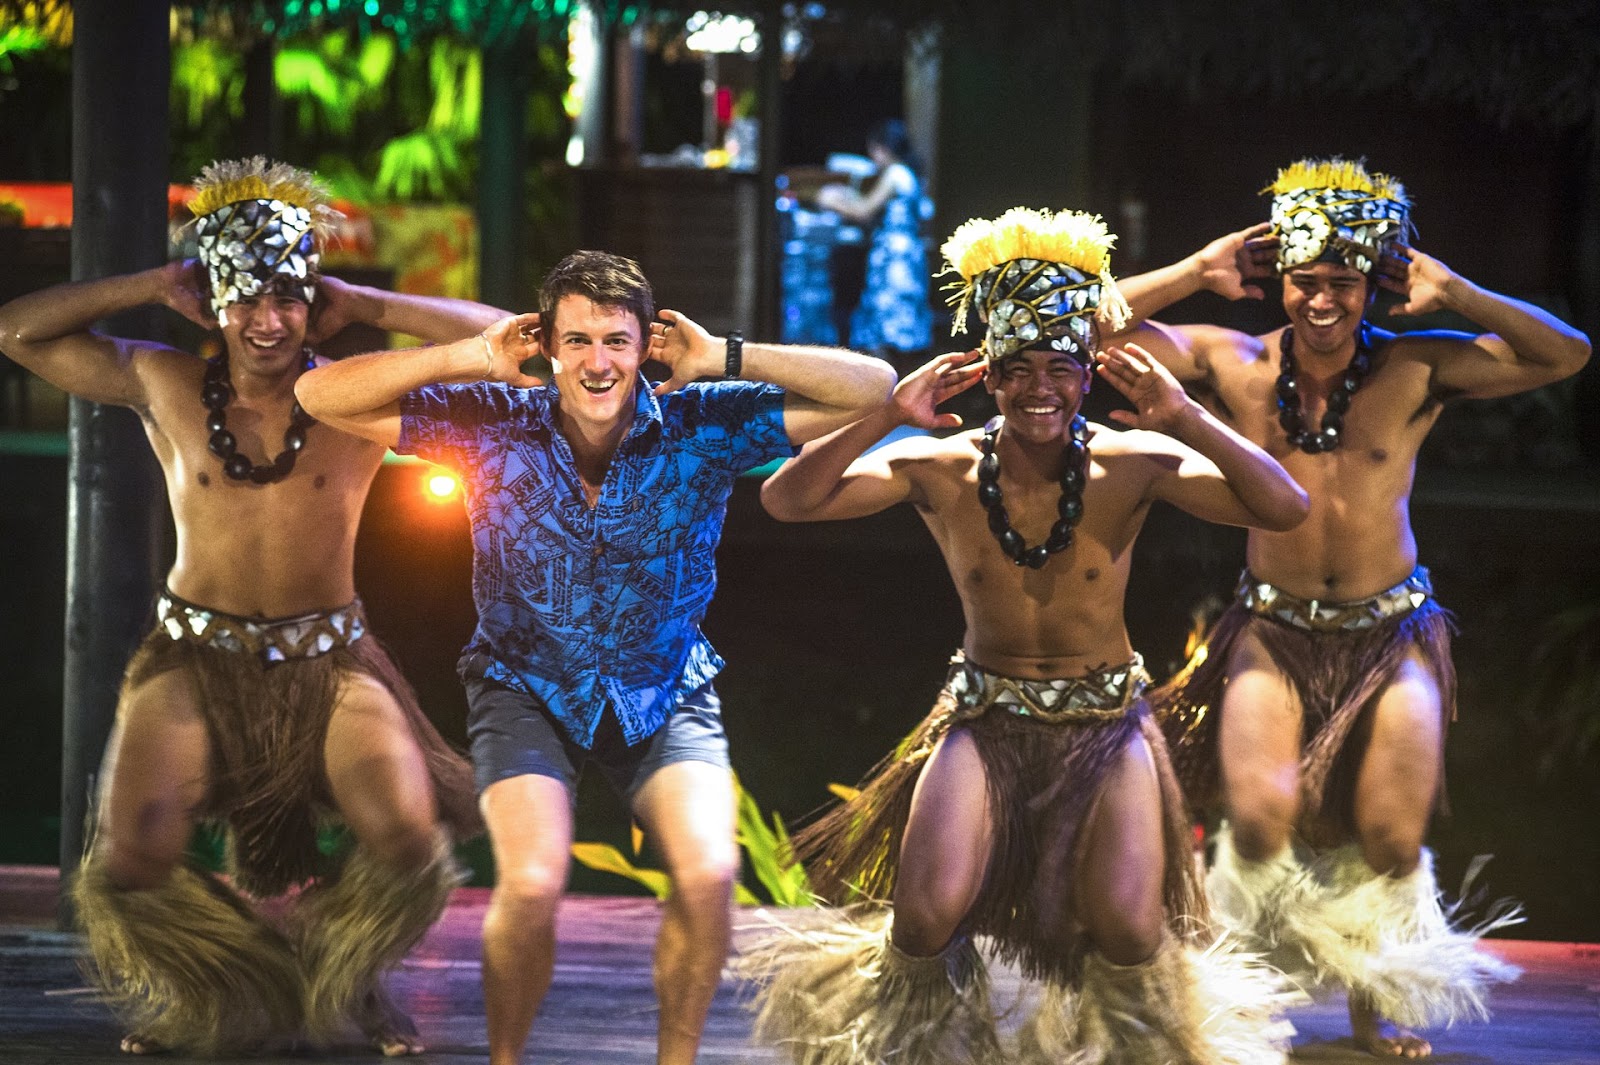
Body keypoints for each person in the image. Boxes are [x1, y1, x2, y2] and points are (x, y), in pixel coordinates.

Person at [292, 249, 897, 1065]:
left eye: (616, 340)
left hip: (663, 688)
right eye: (576, 340)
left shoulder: (705, 421)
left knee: (710, 872)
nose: (597, 361)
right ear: (546, 343)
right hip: (524, 687)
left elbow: (874, 387)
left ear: (648, 343)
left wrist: (724, 355)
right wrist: (471, 354)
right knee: (534, 882)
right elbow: (316, 394)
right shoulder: (492, 419)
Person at [743, 207, 1309, 1064]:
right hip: (984, 716)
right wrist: (887, 414)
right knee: (925, 913)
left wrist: (1186, 417)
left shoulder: (1128, 463)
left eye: (1060, 368)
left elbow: (1285, 506)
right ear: (989, 376)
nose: (1039, 388)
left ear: (1088, 374)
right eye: (1017, 371)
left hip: (1104, 722)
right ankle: (929, 1040)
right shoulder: (938, 466)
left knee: (1125, 925)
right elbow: (785, 500)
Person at [0, 157, 495, 1056]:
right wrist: (156, 281)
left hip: (331, 663)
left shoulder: (355, 395)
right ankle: (216, 991)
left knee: (407, 835)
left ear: (313, 302)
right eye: (243, 299)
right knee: (130, 857)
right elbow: (18, 330)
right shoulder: (164, 383)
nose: (266, 322)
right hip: (193, 660)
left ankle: (343, 977)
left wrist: (371, 303)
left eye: (289, 299)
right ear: (212, 303)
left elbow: (515, 347)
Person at [1112, 157, 1592, 1057]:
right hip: (1271, 629)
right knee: (1258, 819)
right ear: (1278, 282)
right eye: (1306, 282)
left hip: (1392, 633)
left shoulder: (1416, 369)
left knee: (1389, 835)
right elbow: (1082, 331)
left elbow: (1566, 353)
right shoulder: (1235, 359)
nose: (1322, 301)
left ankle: (1379, 1001)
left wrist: (1459, 291)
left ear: (1374, 284)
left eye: (1343, 282)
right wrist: (1192, 273)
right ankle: (1233, 996)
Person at [817, 118, 934, 365]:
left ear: (882, 147)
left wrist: (830, 200)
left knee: (885, 324)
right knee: (896, 323)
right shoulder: (909, 174)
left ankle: (886, 386)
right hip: (904, 256)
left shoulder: (895, 173)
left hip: (894, 261)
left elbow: (864, 211)